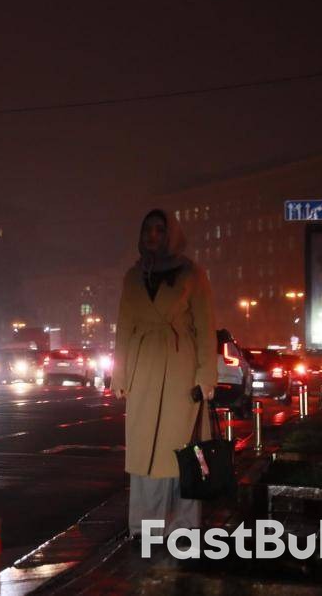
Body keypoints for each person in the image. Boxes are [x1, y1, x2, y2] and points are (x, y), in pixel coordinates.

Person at [110, 209, 218, 538]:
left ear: (171, 234)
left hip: (181, 370)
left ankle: (182, 525)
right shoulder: (133, 276)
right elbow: (124, 327)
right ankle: (146, 527)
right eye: (148, 229)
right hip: (143, 368)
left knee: (182, 450)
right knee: (143, 449)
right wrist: (120, 373)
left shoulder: (192, 273)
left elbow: (205, 328)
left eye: (160, 229)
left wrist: (205, 376)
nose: (153, 235)